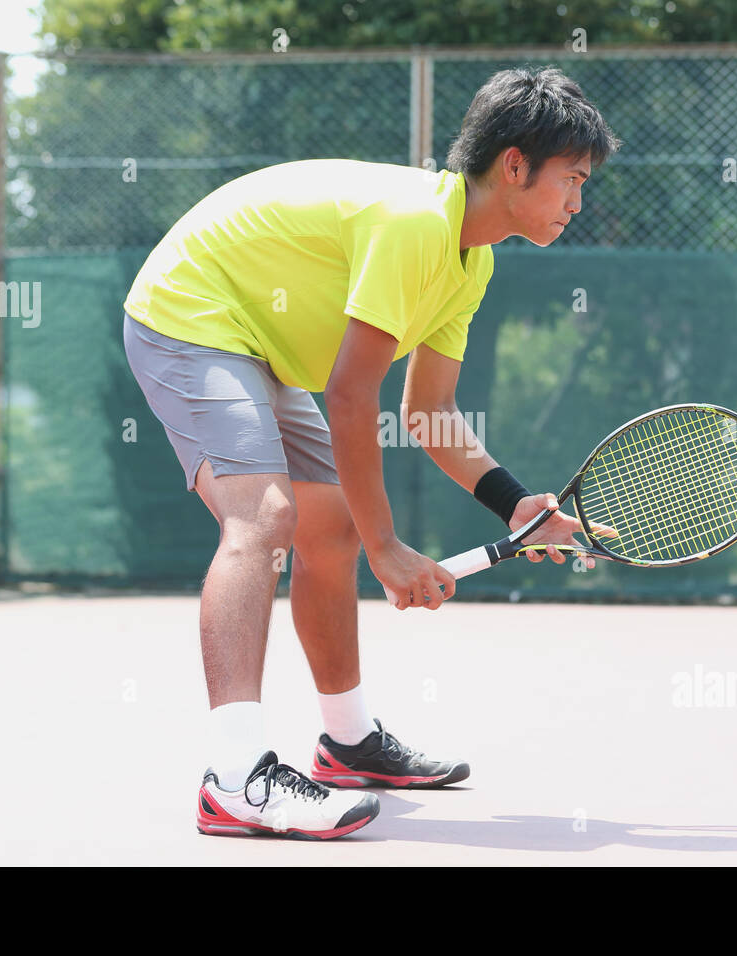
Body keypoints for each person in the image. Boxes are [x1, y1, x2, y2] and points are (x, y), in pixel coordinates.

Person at [122, 67, 620, 840]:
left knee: (331, 526)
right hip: (192, 311)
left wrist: (513, 502)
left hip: (264, 344)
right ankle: (234, 777)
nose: (578, 203)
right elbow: (353, 396)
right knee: (264, 521)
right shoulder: (417, 225)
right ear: (514, 166)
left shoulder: (472, 258)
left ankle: (348, 741)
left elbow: (429, 412)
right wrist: (390, 549)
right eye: (572, 180)